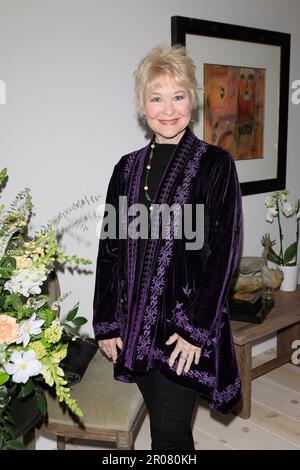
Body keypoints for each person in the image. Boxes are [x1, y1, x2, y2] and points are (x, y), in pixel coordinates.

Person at [93, 45, 243, 450]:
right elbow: (109, 247)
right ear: (143, 106)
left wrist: (195, 330)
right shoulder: (125, 168)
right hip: (132, 325)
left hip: (183, 330)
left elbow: (225, 256)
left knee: (171, 430)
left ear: (192, 100)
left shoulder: (216, 164)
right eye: (156, 97)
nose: (168, 108)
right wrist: (105, 319)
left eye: (178, 96)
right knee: (165, 426)